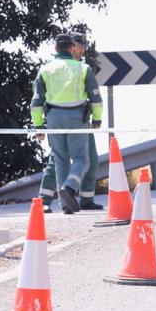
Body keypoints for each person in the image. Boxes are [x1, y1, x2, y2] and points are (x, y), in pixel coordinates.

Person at [31, 33, 104, 214]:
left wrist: (38, 126)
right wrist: (97, 119)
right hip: (77, 118)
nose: (81, 51)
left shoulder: (45, 70)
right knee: (82, 159)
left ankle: (66, 205)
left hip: (53, 118)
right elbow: (96, 98)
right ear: (72, 47)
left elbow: (36, 102)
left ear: (56, 48)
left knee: (60, 160)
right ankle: (69, 188)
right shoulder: (83, 68)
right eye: (79, 48)